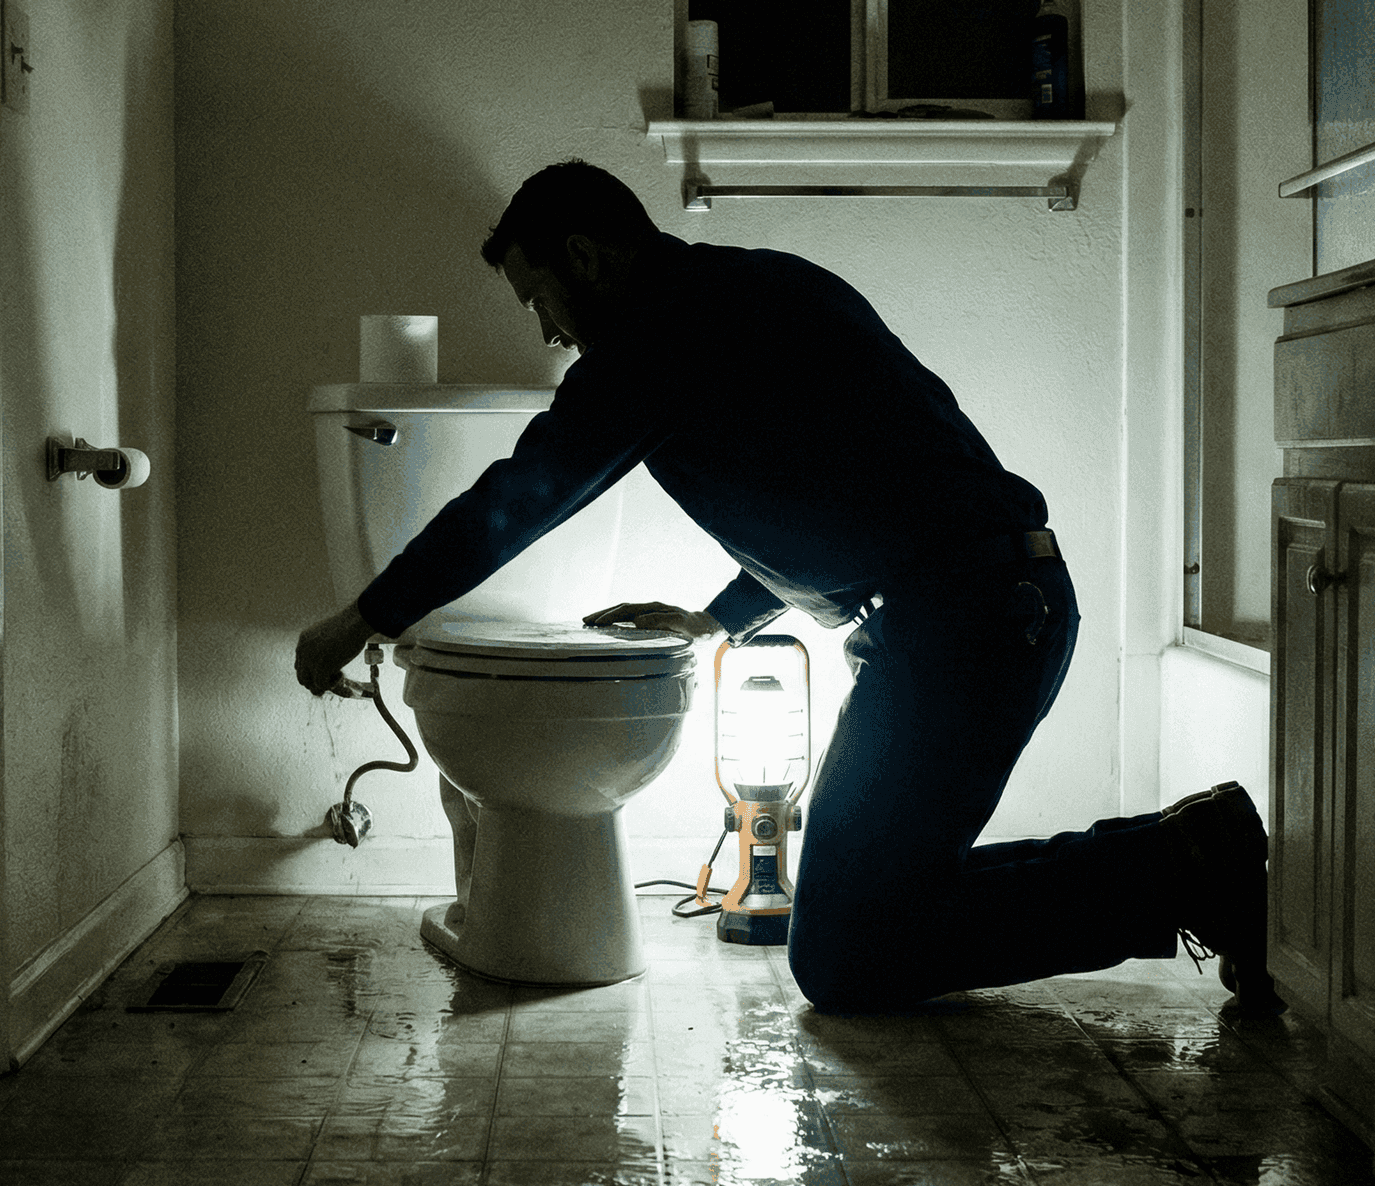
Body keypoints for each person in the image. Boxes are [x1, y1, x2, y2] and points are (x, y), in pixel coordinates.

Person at [295, 159, 1281, 1015]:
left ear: (587, 258)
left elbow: (521, 496)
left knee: (849, 951)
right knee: (864, 926)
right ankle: (1184, 860)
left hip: (971, 617)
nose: (548, 330)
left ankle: (1181, 866)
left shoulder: (653, 338)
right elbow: (836, 488)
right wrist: (715, 616)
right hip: (973, 607)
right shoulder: (754, 293)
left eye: (537, 296)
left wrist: (361, 616)